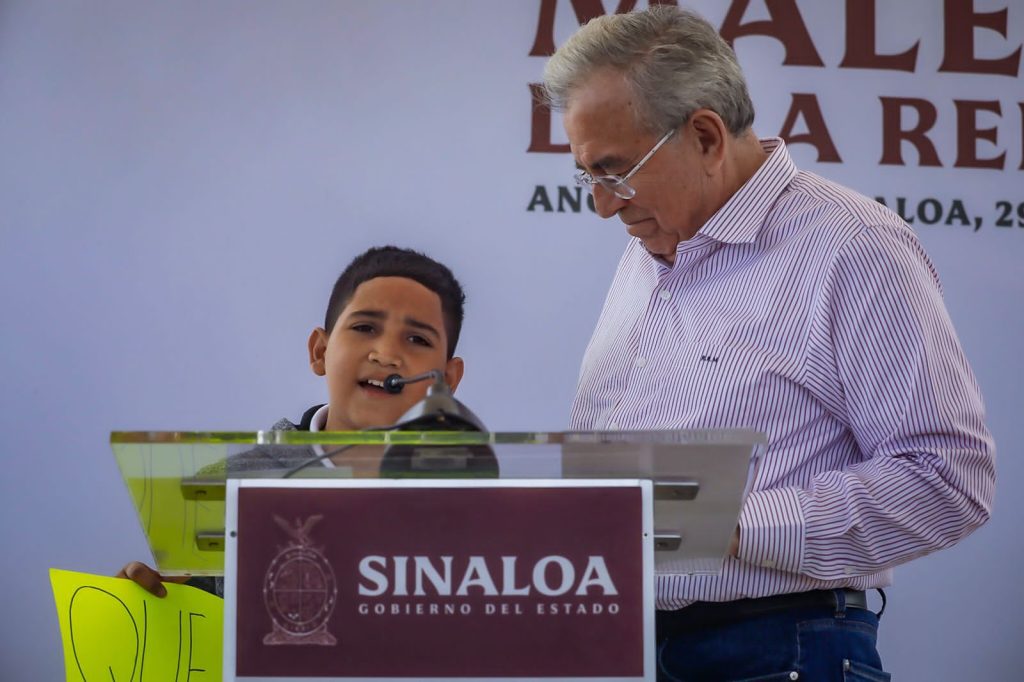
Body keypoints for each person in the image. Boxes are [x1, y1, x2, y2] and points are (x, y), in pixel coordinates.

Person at [542, 6, 995, 680]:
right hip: (622, 643)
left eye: (615, 173)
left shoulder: (854, 247)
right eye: (590, 179)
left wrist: (722, 521)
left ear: (704, 136)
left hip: (776, 646)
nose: (604, 205)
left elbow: (946, 479)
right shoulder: (649, 246)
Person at [117, 245, 469, 596]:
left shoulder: (472, 510)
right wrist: (146, 603)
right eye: (365, 327)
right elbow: (198, 608)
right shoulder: (226, 488)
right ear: (320, 352)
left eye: (417, 339)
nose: (386, 355)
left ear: (448, 380)